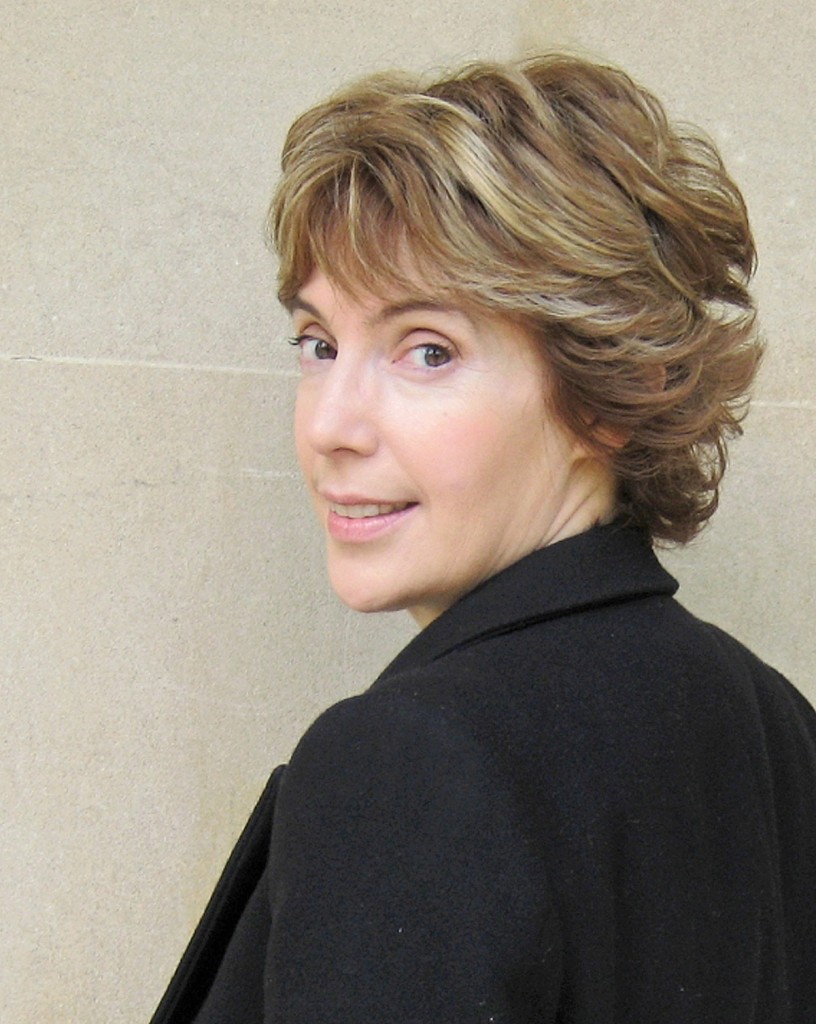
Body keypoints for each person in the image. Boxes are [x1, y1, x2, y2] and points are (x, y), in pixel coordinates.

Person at [150, 54, 816, 1023]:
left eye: (427, 351)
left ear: (608, 393)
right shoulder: (782, 734)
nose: (331, 424)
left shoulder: (408, 764)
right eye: (319, 344)